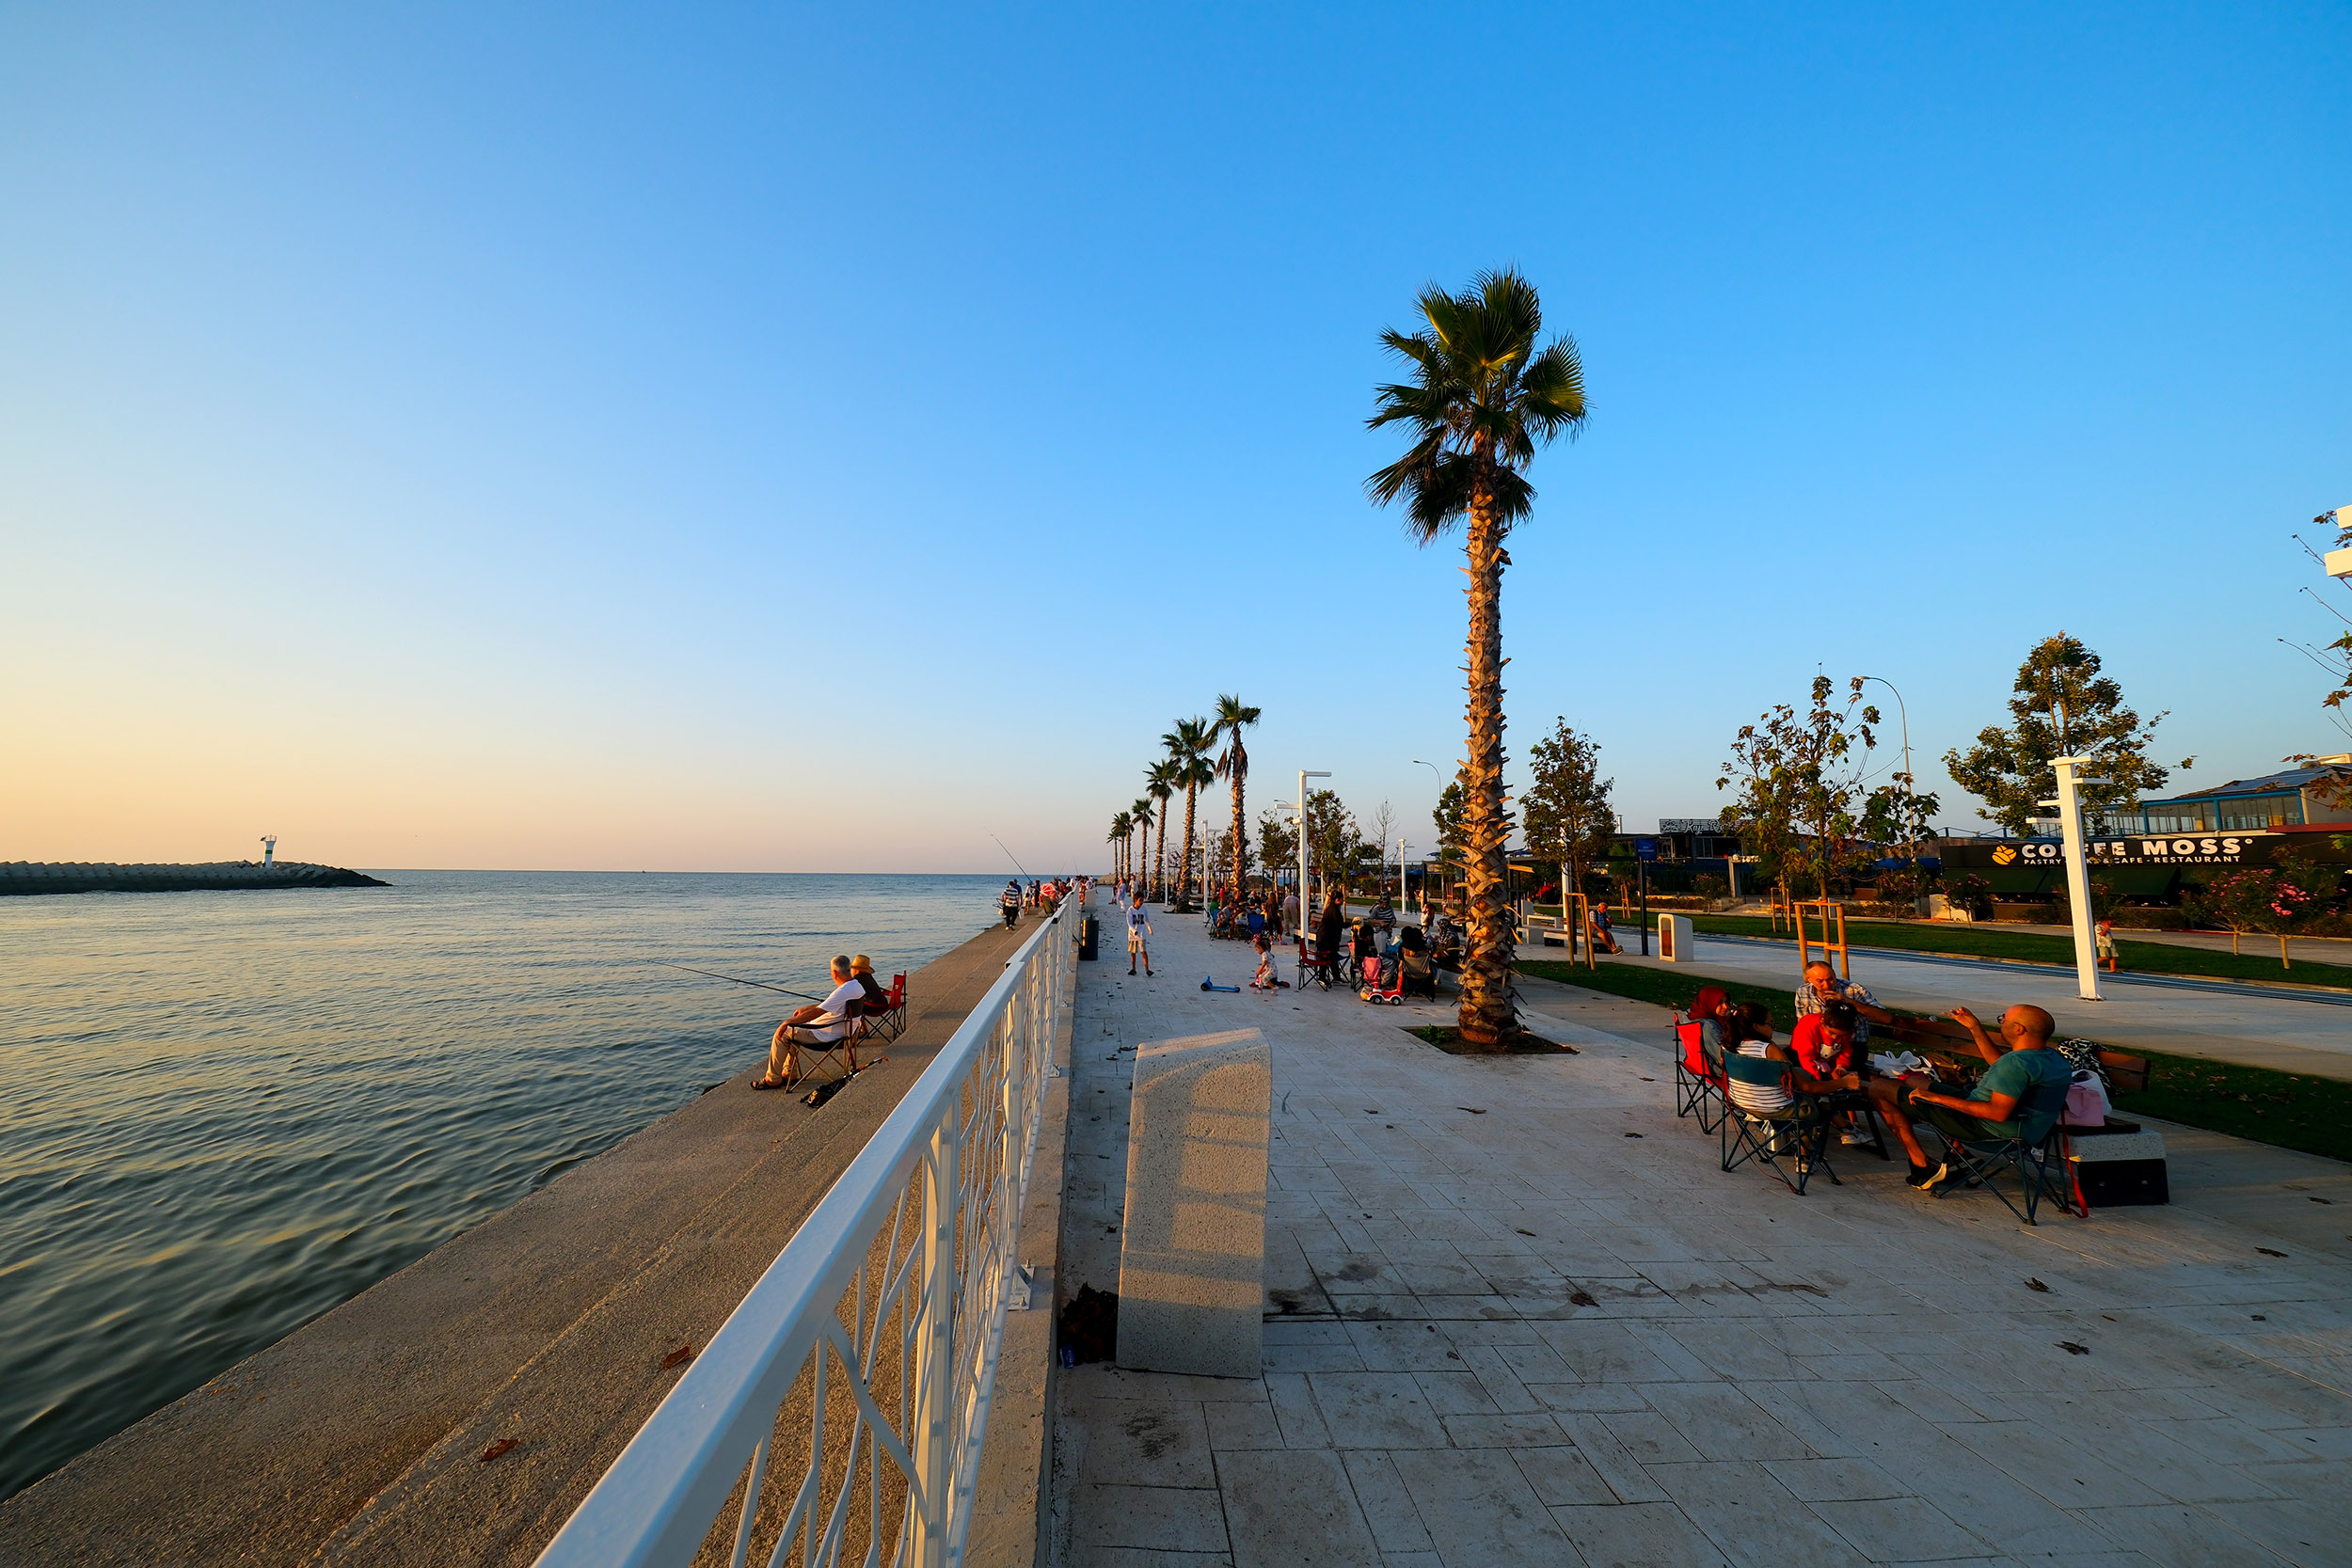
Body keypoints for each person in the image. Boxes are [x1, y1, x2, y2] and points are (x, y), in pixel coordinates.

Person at [1865, 1002, 2074, 1191]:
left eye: (2003, 1019)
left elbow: (1997, 1112)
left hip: (1989, 1130)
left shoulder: (2017, 1064)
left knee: (1879, 1088)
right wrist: (1974, 1027)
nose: (2001, 1023)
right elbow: (2001, 1066)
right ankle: (1960, 1156)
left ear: (2018, 1029)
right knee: (1914, 1081)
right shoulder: (2050, 1058)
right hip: (2029, 1131)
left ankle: (1922, 1166)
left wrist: (1936, 1099)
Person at [753, 956, 866, 1089]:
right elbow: (830, 1005)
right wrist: (807, 1008)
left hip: (824, 1036)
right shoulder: (856, 986)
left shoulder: (842, 991)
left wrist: (787, 1022)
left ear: (834, 973)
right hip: (844, 1033)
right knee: (794, 1030)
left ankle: (773, 1079)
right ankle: (789, 1073)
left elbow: (817, 1012)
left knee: (784, 1034)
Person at [1795, 961, 1892, 1046]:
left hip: (1852, 1045)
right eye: (1820, 981)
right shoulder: (1803, 991)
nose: (1827, 985)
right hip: (1819, 1045)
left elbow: (1885, 1017)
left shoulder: (1854, 990)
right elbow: (1802, 1024)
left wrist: (1847, 1001)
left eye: (1830, 979)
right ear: (1809, 979)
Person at [1125, 897, 1152, 976]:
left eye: (1142, 900)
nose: (1142, 902)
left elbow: (1147, 920)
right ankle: (1133, 969)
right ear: (1135, 900)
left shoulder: (1144, 909)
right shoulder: (1130, 910)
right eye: (1140, 900)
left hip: (1142, 934)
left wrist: (1150, 929)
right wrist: (1134, 931)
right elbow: (1129, 922)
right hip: (1133, 935)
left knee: (1143, 951)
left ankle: (1147, 969)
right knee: (1133, 952)